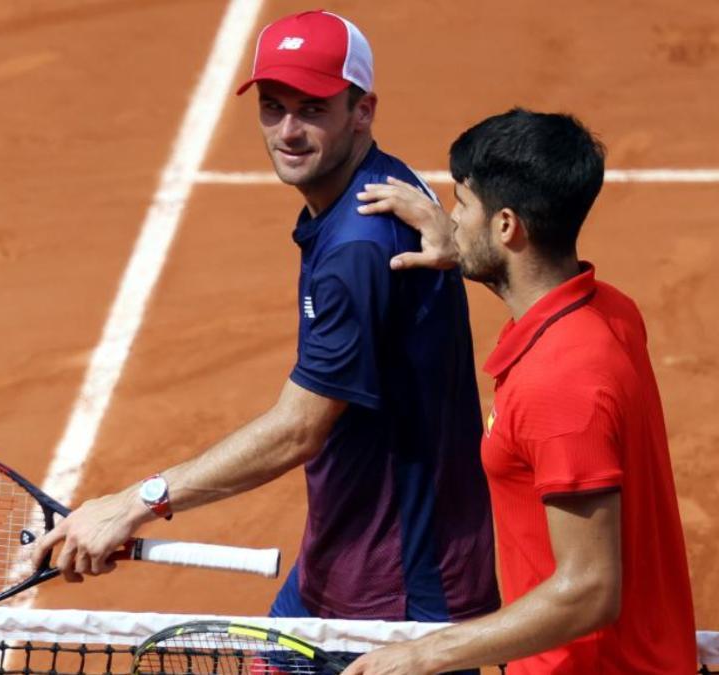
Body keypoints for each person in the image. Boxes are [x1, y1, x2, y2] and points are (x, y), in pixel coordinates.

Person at [32, 10, 500, 624]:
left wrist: (134, 504)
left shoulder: (359, 248)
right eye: (273, 107)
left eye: (312, 109)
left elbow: (298, 428)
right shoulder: (386, 184)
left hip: (393, 593)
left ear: (363, 110)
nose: (288, 130)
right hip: (343, 558)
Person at [348, 109, 696, 673]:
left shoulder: (559, 386)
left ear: (507, 226)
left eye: (462, 205)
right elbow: (534, 291)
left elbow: (589, 589)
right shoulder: (609, 313)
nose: (450, 220)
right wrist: (459, 249)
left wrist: (424, 654)